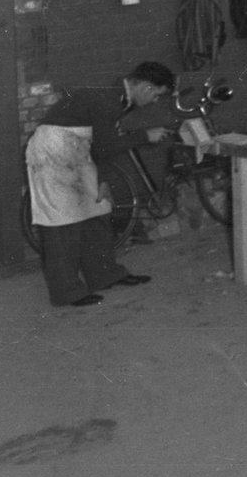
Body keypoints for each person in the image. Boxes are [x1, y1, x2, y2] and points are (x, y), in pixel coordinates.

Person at [27, 61, 175, 307]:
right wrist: (145, 135)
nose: (154, 101)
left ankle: (105, 275)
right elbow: (105, 146)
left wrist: (101, 180)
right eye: (157, 95)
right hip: (54, 152)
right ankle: (67, 293)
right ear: (147, 88)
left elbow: (101, 144)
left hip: (76, 149)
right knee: (62, 223)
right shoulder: (110, 99)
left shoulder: (118, 96)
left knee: (97, 210)